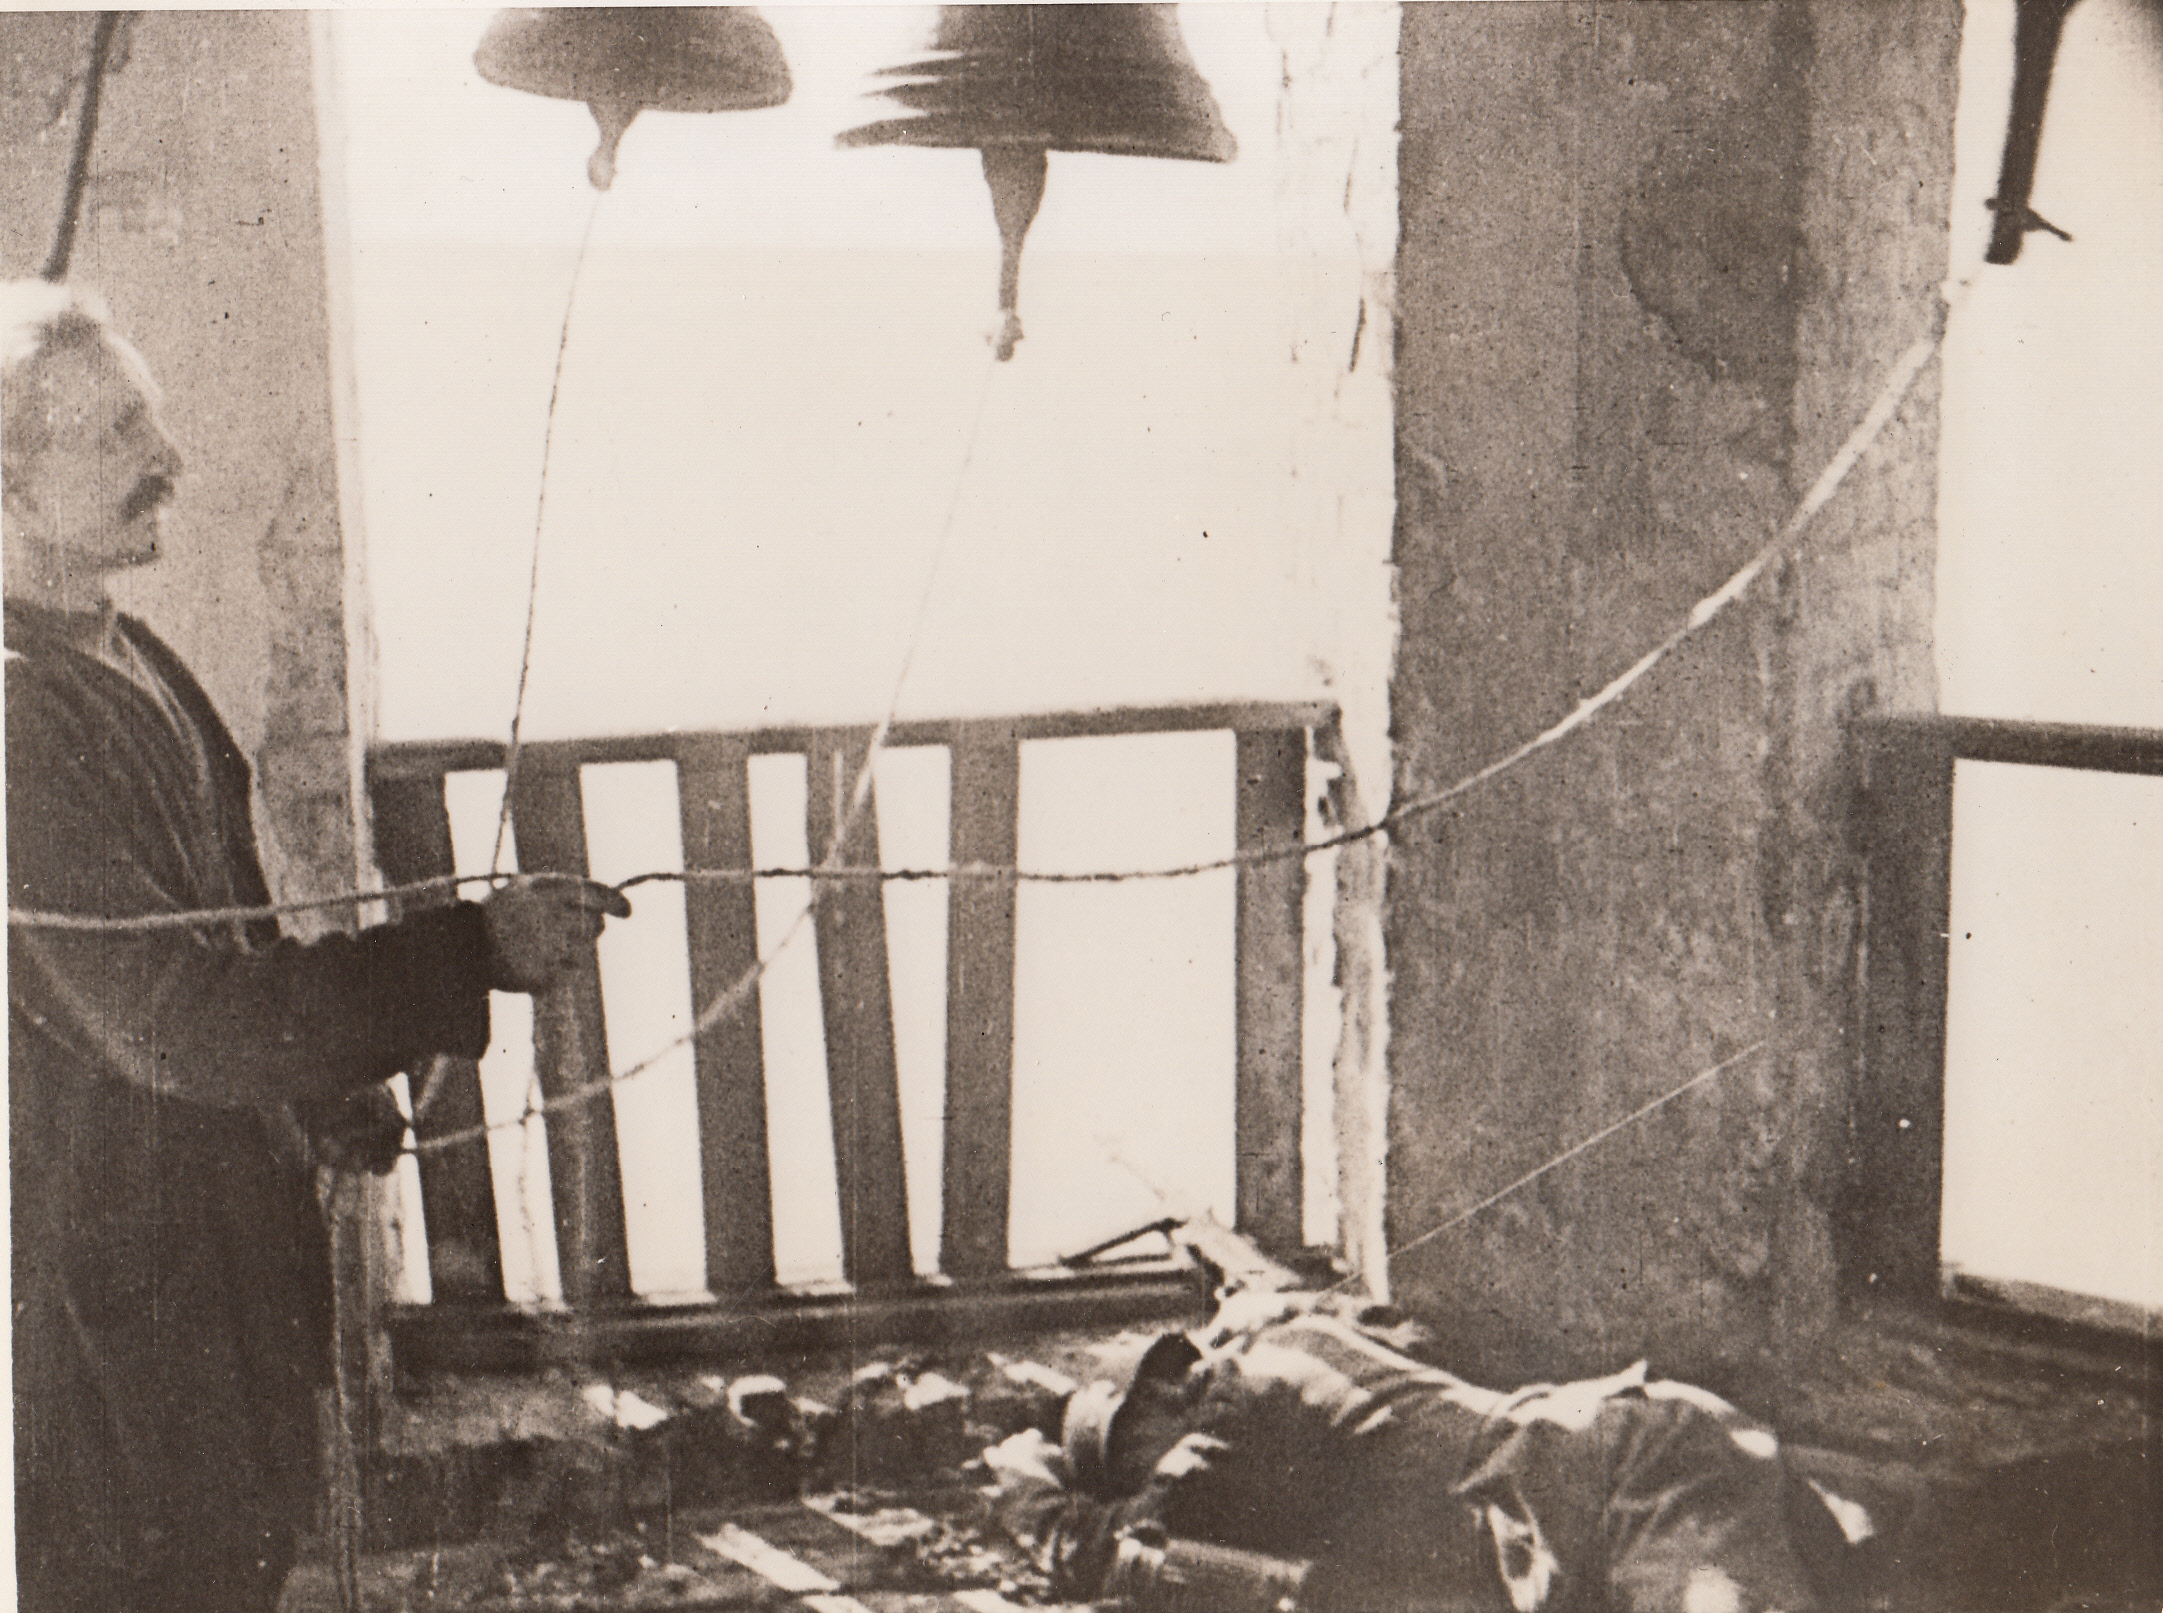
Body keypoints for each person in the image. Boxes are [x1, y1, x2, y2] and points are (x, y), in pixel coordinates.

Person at [4, 279, 631, 1613]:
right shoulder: (15, 717)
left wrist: (323, 1087)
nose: (168, 457)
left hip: (206, 1284)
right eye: (118, 433)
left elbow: (229, 935)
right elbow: (174, 1016)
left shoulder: (127, 651)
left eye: (152, 418)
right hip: (92, 1318)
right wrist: (466, 952)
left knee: (237, 1553)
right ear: (8, 482)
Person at [982, 1289, 1867, 1613]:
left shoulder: (1235, 1393)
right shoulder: (1296, 1346)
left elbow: (1125, 1544)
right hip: (1599, 1497)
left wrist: (1029, 1487)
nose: (1143, 1474)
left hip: (1616, 1474)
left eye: (1130, 1452)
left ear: (1163, 1390)